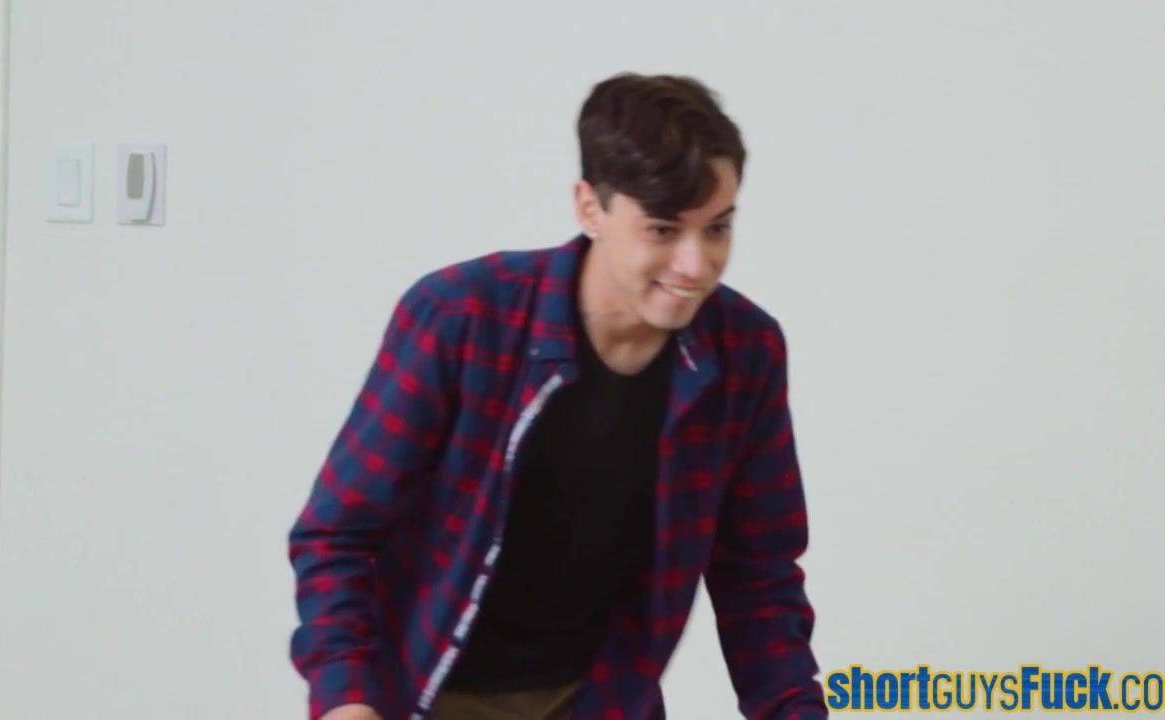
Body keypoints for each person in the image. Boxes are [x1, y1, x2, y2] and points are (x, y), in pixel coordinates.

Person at [287, 71, 827, 720]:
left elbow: (758, 579)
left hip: (599, 701)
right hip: (422, 696)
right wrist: (345, 700)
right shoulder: (461, 317)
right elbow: (339, 533)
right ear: (590, 208)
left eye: (717, 229)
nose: (696, 264)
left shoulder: (744, 351)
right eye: (662, 230)